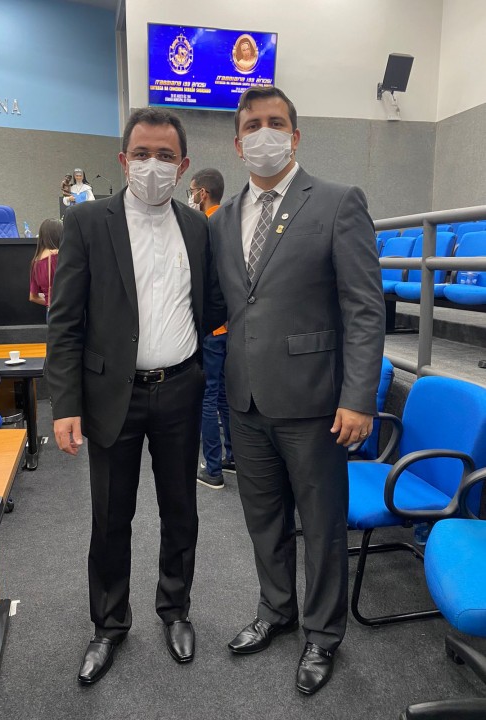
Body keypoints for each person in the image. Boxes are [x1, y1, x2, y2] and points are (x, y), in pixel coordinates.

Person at [209, 86, 385, 695]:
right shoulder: (223, 220)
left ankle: (323, 634)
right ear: (238, 144)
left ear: (295, 134)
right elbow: (225, 305)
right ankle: (276, 610)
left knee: (322, 524)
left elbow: (364, 308)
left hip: (316, 402)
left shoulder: (338, 202)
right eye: (252, 125)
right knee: (264, 519)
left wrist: (359, 396)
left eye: (275, 122)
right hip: (245, 399)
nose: (265, 133)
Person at [46, 107, 225, 686]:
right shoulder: (86, 222)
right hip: (109, 396)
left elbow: (211, 305)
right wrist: (66, 404)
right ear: (123, 160)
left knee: (181, 511)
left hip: (180, 389)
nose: (153, 165)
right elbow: (64, 321)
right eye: (142, 154)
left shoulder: (197, 227)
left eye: (165, 156)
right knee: (110, 516)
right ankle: (108, 624)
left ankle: (175, 609)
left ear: (184, 165)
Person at [188, 169, 235, 489]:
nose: (190, 195)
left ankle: (213, 468)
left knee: (208, 397)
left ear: (202, 193)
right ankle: (232, 457)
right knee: (224, 396)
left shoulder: (204, 227)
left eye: (191, 190)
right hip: (231, 325)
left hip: (211, 328)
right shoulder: (231, 223)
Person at [29, 218, 62, 320]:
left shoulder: (36, 262)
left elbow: (33, 297)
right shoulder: (62, 256)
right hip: (67, 312)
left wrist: (49, 301)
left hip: (51, 312)